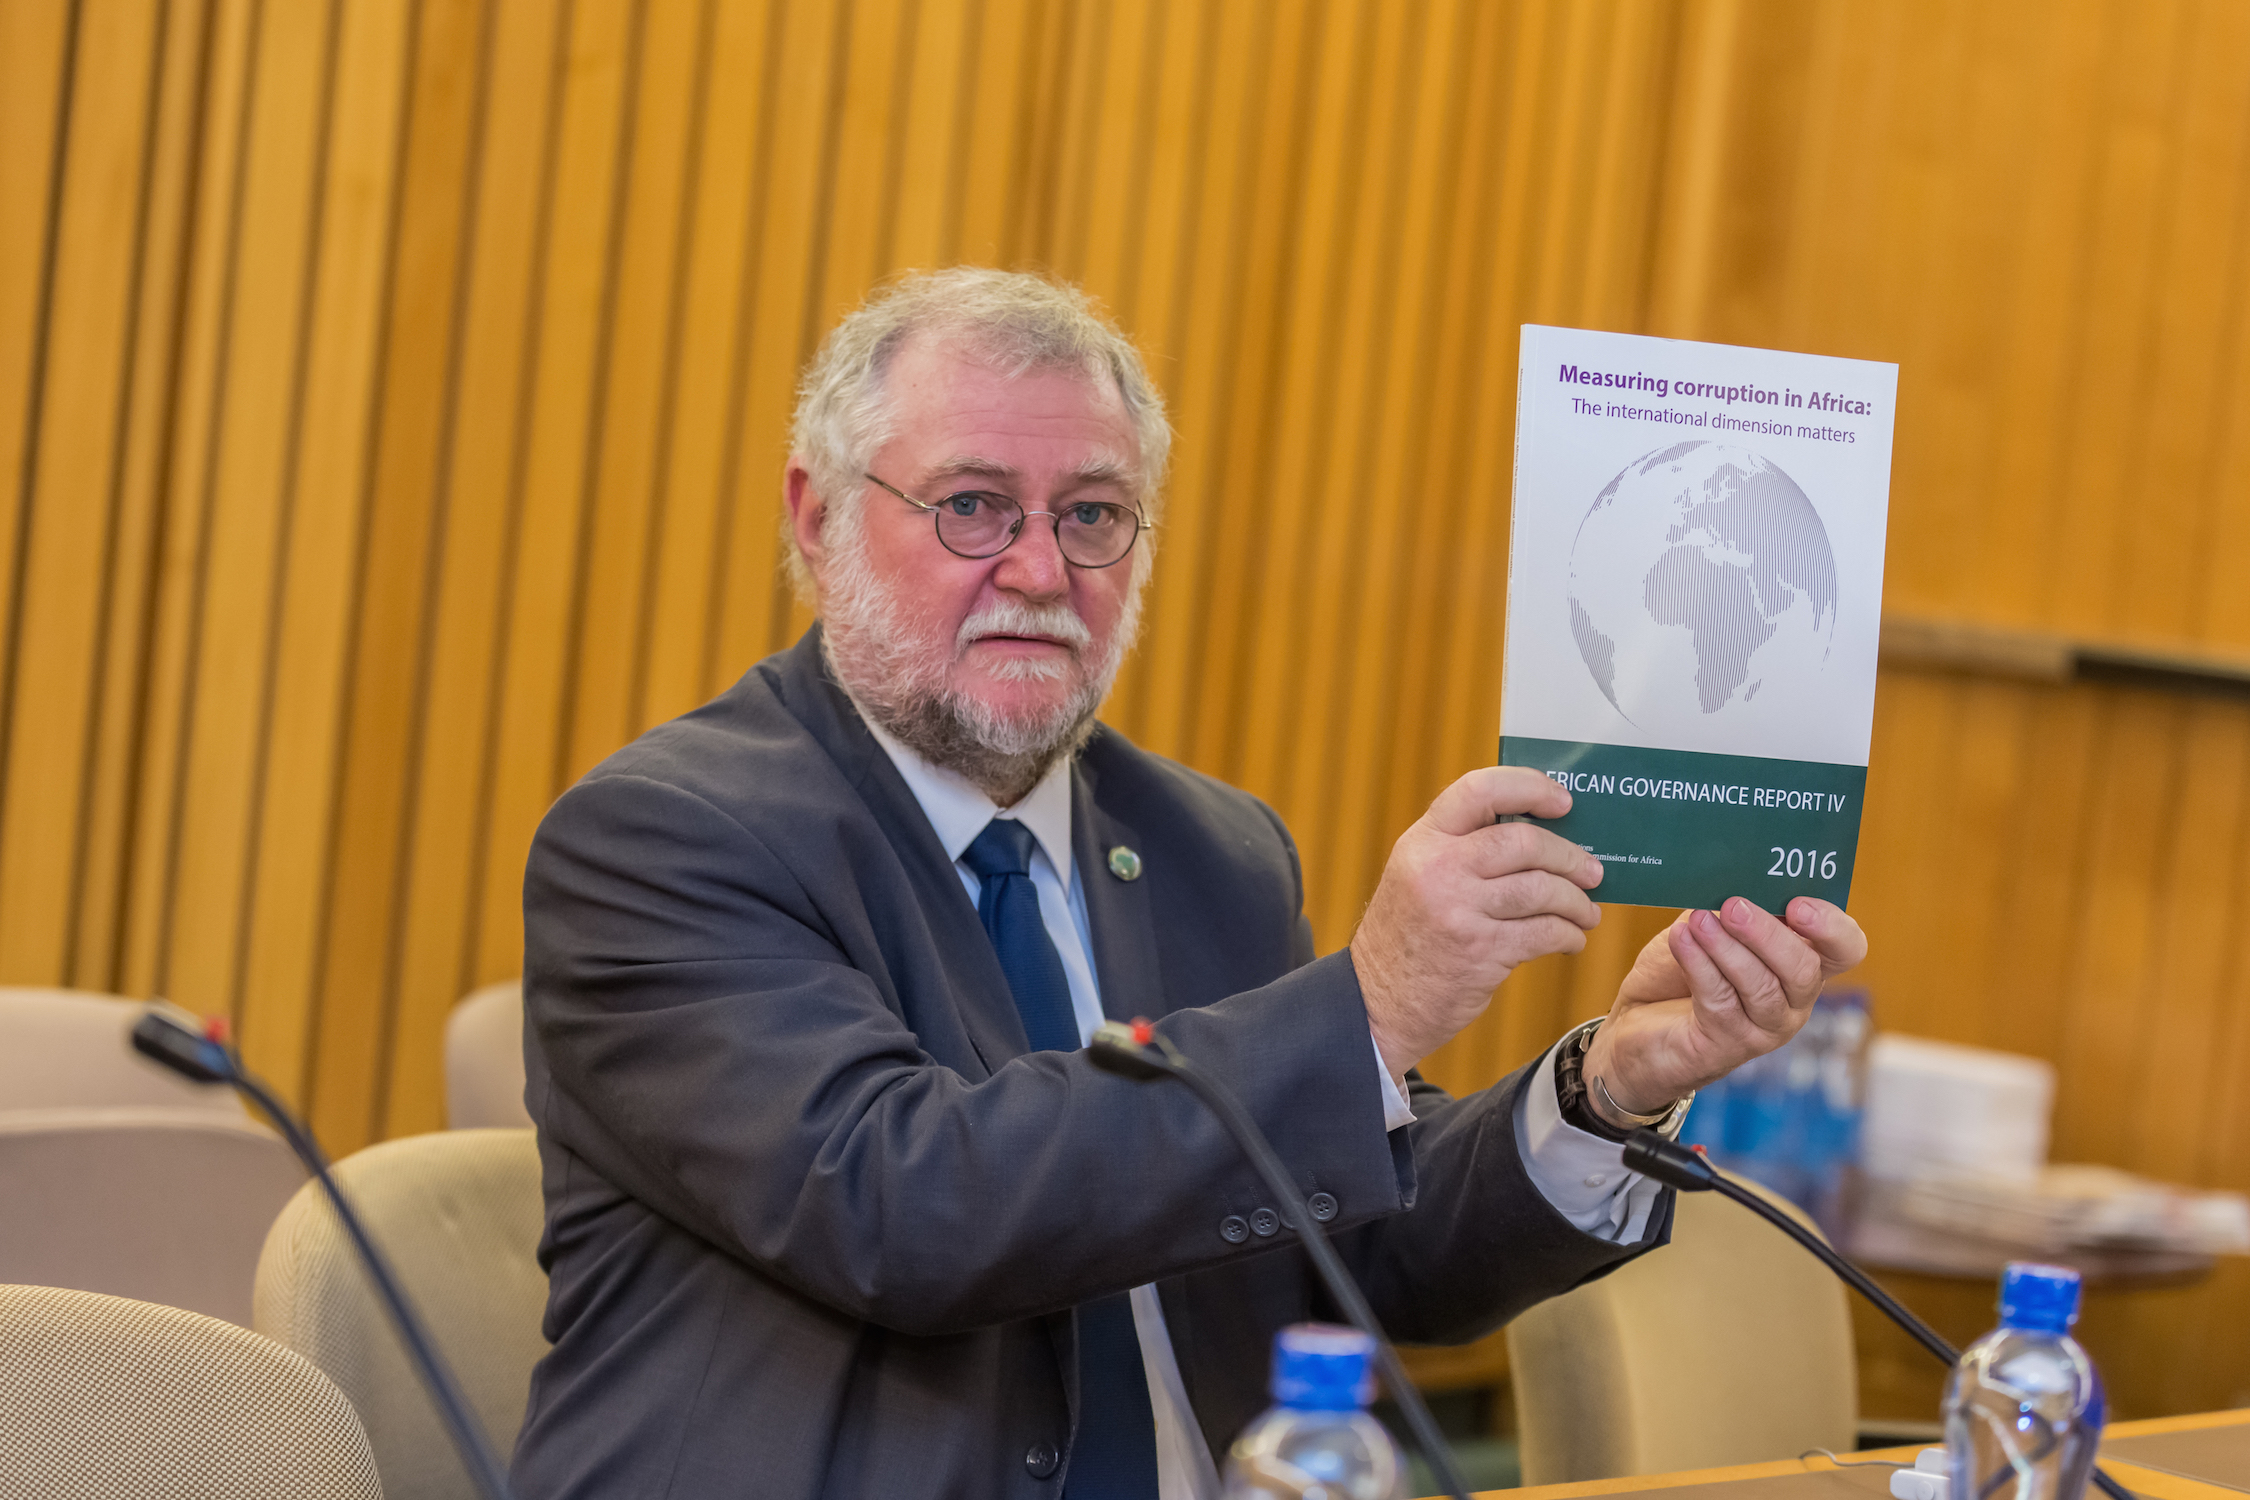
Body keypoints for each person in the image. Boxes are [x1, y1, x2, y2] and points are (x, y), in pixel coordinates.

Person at [510, 268, 1868, 1500]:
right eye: (972, 505)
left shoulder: (1207, 847)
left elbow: (1366, 1252)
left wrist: (1605, 1083)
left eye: (1092, 515)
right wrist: (1372, 1008)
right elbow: (904, 1210)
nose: (1038, 571)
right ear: (817, 519)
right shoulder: (660, 839)